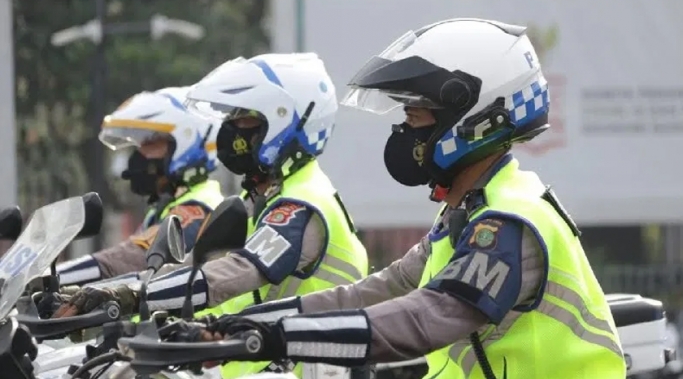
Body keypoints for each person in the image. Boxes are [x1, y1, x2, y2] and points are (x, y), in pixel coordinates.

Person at [181, 19, 627, 379]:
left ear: (475, 119)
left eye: (414, 116)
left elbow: (426, 318)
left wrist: (281, 337)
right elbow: (374, 292)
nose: (403, 132)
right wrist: (237, 325)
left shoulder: (511, 222)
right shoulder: (467, 212)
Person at [52, 53, 369, 378]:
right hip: (252, 363)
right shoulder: (259, 200)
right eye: (230, 118)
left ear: (284, 122)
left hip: (305, 369)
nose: (230, 130)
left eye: (243, 119)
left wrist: (136, 296)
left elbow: (239, 271)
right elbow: (194, 269)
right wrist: (102, 293)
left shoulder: (302, 203)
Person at [55, 87, 224, 287]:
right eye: (139, 145)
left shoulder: (199, 207)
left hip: (200, 318)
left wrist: (55, 278)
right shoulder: (162, 210)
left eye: (151, 142)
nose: (139, 155)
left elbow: (132, 258)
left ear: (187, 144)